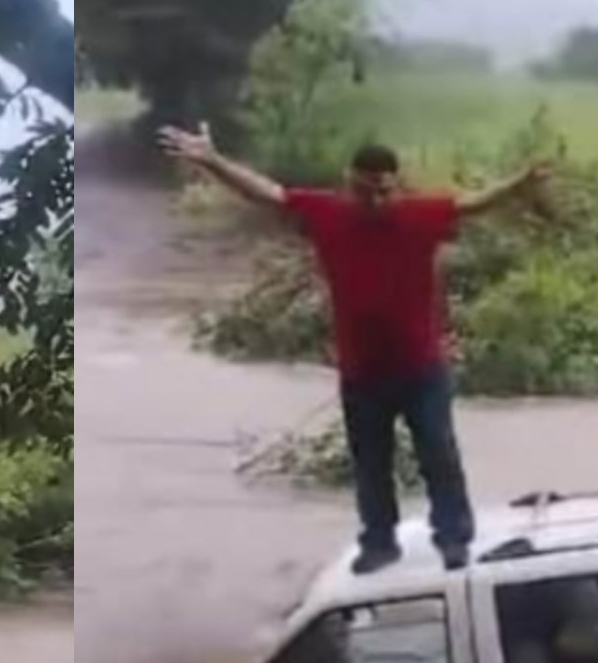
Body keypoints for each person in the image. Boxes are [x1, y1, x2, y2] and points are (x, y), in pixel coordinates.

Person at [157, 124, 552, 573]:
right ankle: (379, 543)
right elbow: (267, 195)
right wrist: (213, 161)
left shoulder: (420, 216)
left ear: (397, 185)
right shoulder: (327, 213)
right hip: (363, 373)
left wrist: (521, 184)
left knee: (439, 455)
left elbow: (475, 204)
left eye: (385, 191)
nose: (377, 201)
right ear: (350, 182)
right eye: (367, 191)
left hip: (421, 368)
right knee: (370, 466)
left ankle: (454, 538)